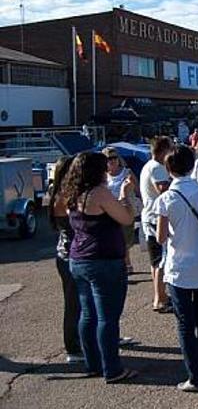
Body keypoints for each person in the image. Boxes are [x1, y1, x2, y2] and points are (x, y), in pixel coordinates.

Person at [63, 152, 138, 383]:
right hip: (103, 259)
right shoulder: (99, 193)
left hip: (79, 259)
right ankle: (112, 369)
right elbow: (127, 218)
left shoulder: (72, 193)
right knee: (108, 317)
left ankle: (92, 363)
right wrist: (126, 196)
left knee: (88, 314)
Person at [155, 146, 198, 392]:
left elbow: (160, 237)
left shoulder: (166, 199)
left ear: (168, 169)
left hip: (179, 268)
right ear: (192, 165)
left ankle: (194, 376)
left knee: (184, 323)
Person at [49, 156, 82, 364]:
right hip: (69, 253)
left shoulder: (57, 193)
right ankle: (72, 346)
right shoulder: (64, 195)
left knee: (77, 302)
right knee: (73, 304)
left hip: (65, 251)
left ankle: (79, 342)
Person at [140, 136, 173, 313]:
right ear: (163, 151)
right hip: (156, 218)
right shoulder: (158, 168)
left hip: (149, 216)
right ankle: (160, 299)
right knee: (161, 260)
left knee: (155, 261)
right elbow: (163, 189)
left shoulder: (148, 166)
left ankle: (159, 295)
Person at [103, 147, 139, 274]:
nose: (112, 161)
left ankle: (127, 264)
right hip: (109, 211)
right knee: (113, 239)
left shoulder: (127, 172)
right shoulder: (103, 176)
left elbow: (138, 190)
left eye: (114, 157)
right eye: (108, 159)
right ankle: (124, 265)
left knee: (124, 241)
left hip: (125, 210)